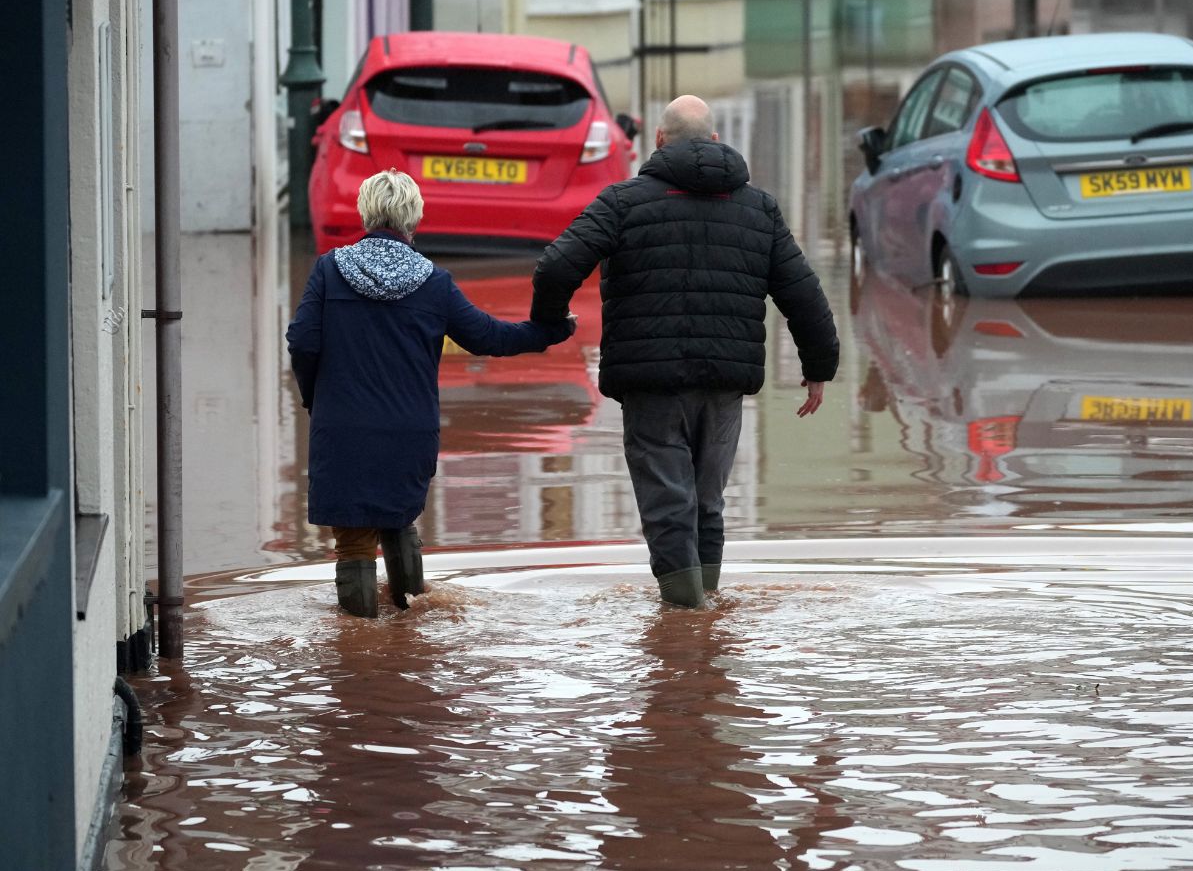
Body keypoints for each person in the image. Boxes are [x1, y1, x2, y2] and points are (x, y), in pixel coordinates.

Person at [529, 95, 839, 609]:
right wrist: (818, 368)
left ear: (658, 140)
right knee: (707, 502)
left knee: (668, 503)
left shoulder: (622, 202)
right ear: (716, 141)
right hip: (724, 382)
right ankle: (708, 617)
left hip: (650, 383)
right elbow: (803, 293)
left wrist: (548, 327)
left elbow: (557, 266)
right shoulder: (757, 208)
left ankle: (683, 620)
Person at [287, 170, 574, 618]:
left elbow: (302, 342)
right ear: (413, 217)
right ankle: (412, 630)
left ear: (366, 213)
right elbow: (489, 338)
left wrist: (316, 398)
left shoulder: (329, 270)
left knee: (354, 540)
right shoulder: (433, 282)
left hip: (342, 426)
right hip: (409, 429)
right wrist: (549, 332)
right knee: (399, 520)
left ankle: (359, 655)